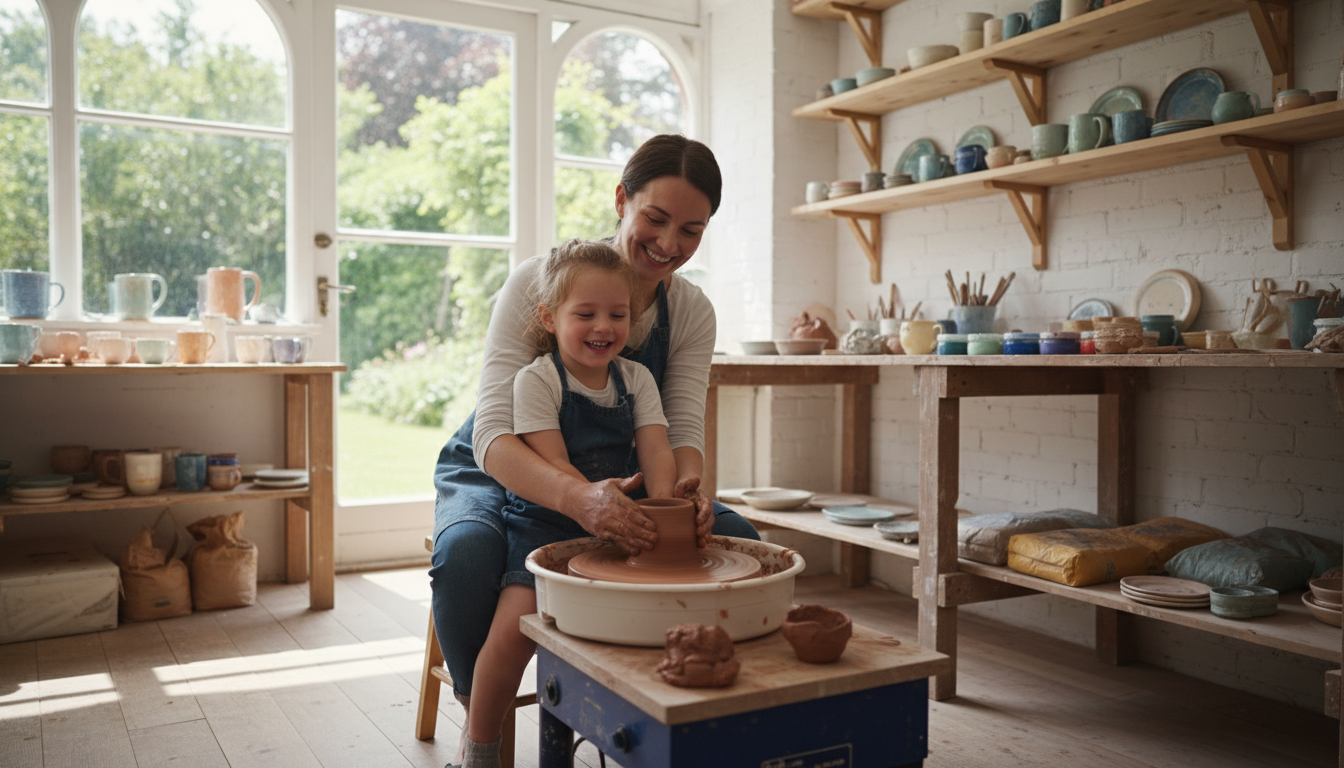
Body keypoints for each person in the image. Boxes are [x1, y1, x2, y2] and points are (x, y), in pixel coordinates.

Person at [429, 134, 759, 755]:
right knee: (470, 556)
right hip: (504, 464)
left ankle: (667, 711)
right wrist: (580, 500)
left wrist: (686, 494)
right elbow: (494, 436)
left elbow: (681, 434)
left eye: (692, 230)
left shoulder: (690, 311)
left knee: (742, 541)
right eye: (656, 220)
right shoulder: (541, 280)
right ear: (621, 201)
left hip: (625, 474)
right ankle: (483, 725)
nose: (669, 245)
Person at [462, 239, 676, 766]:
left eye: (617, 314)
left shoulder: (638, 378)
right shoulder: (535, 380)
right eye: (585, 314)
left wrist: (666, 506)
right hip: (548, 518)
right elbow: (556, 468)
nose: (603, 327)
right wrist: (596, 507)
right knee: (516, 629)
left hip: (621, 516)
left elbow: (657, 450)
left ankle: (642, 734)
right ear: (548, 317)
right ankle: (481, 750)